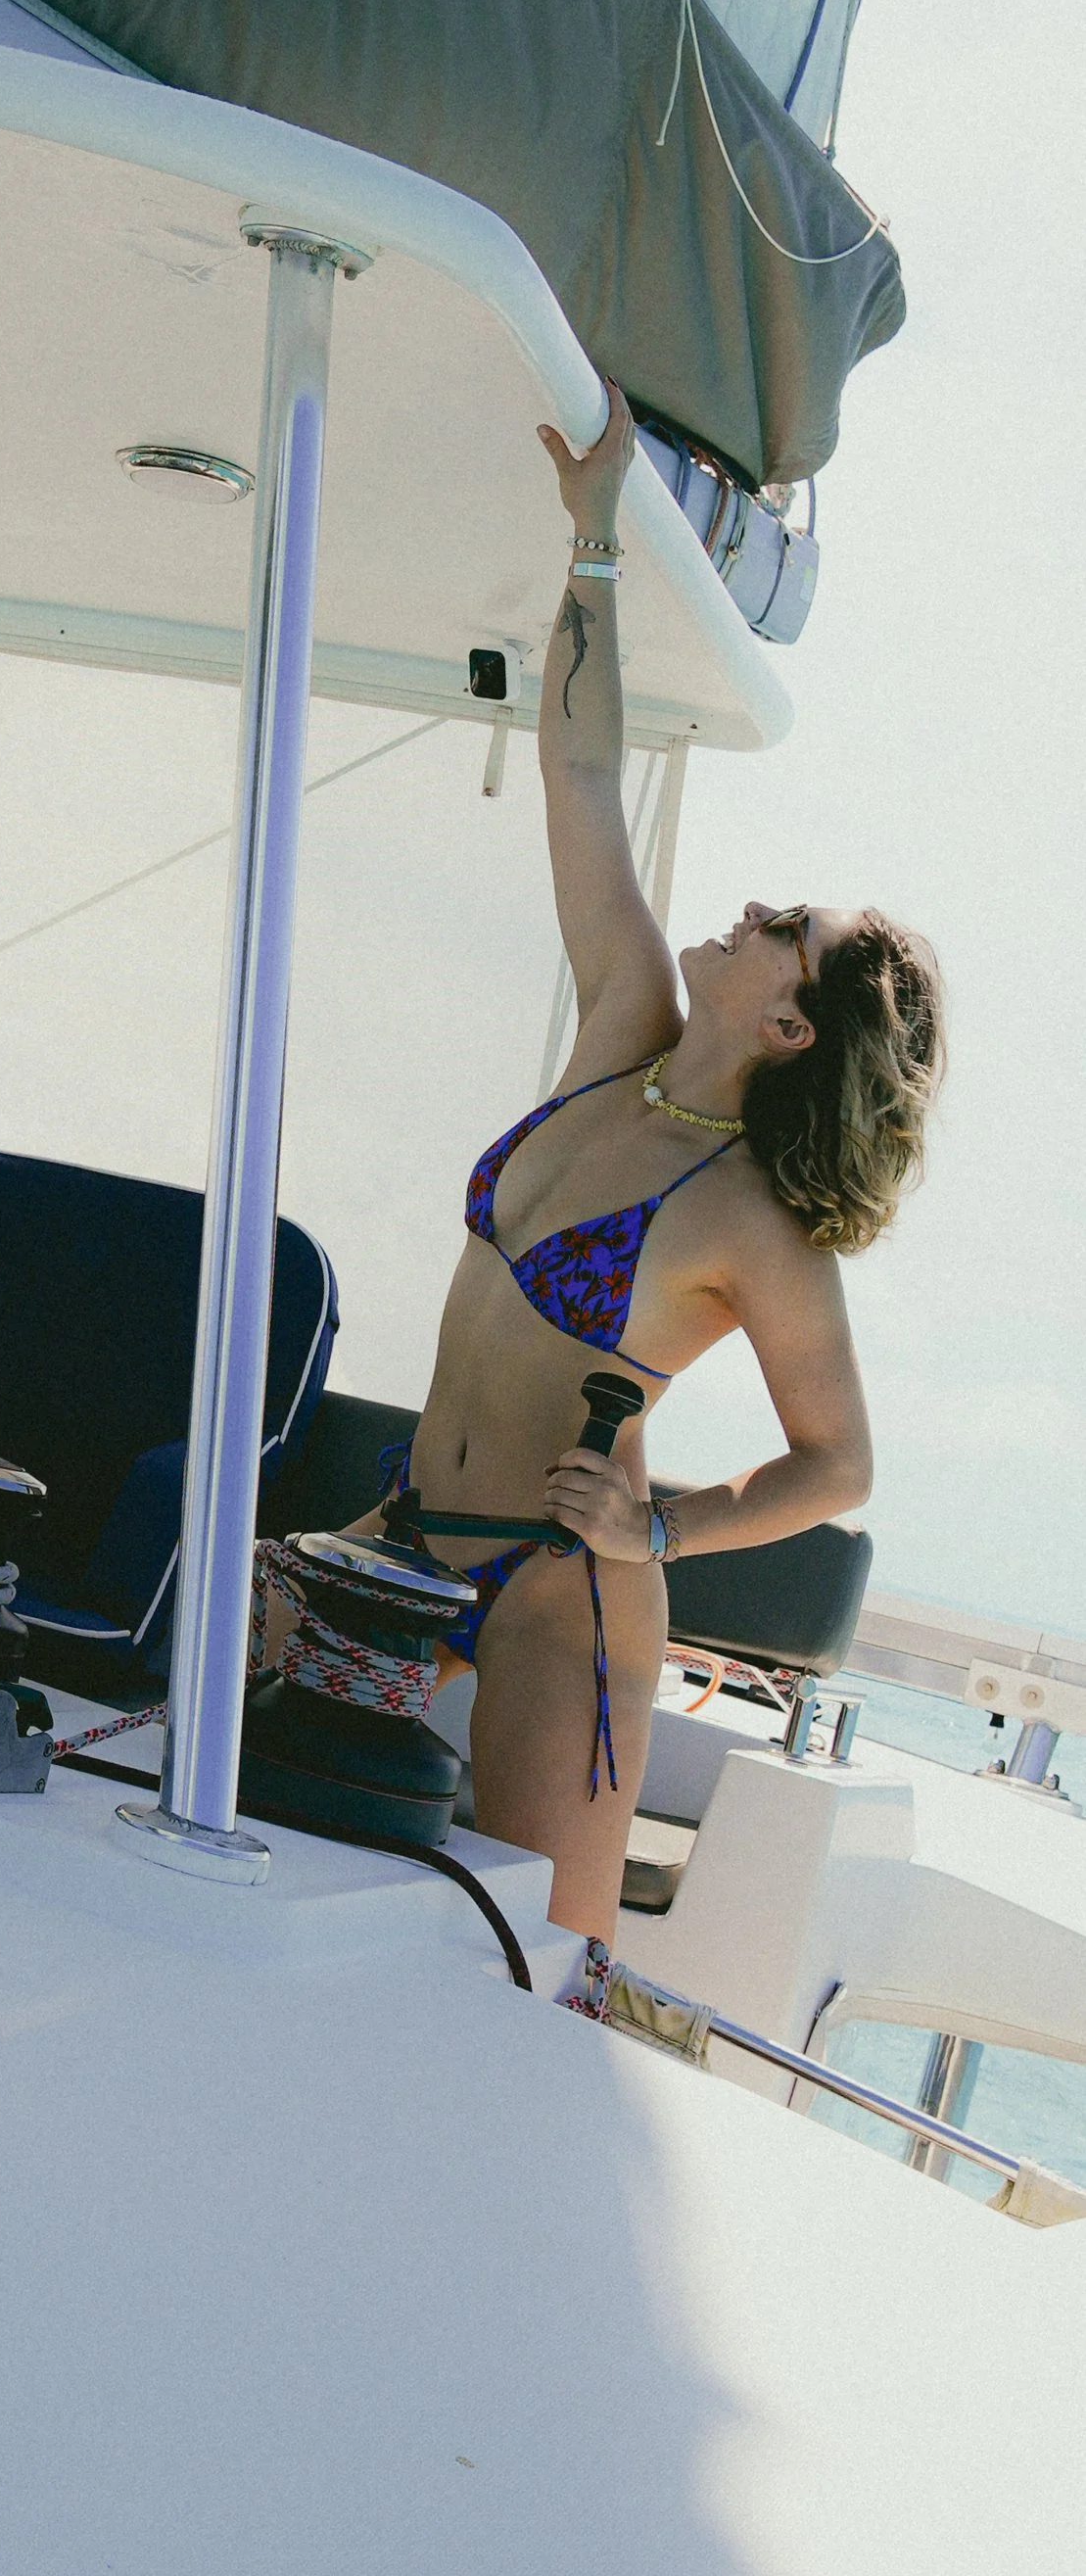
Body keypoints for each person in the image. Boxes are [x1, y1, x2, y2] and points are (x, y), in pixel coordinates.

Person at [253, 390, 944, 2006]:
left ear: (789, 1027)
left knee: (529, 1984)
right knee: (212, 1819)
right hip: (402, 1531)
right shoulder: (622, 1033)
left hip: (564, 1595)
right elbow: (580, 778)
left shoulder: (752, 1224)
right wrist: (594, 540)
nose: (749, 905)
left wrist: (676, 1523)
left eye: (784, 925)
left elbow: (839, 1462)